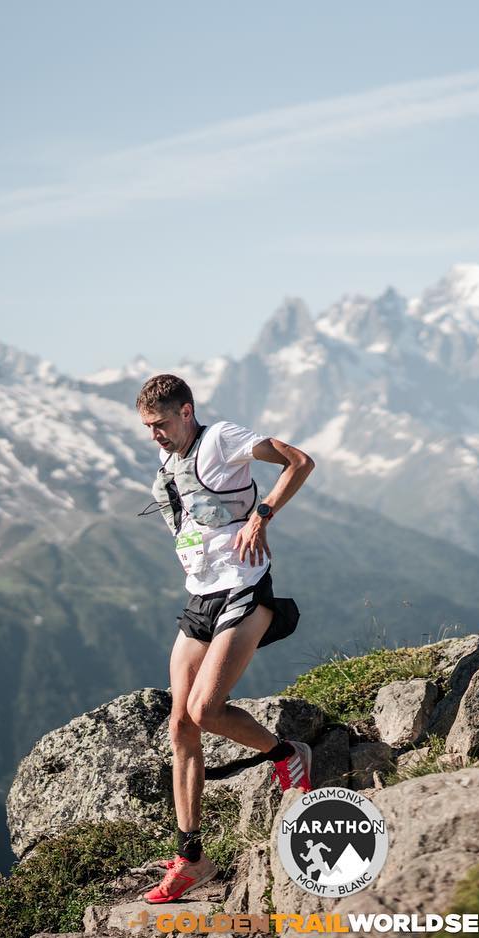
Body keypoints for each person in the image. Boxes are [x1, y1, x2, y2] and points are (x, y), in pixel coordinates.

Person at [135, 374, 317, 904]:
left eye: (162, 424)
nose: (156, 436)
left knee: (205, 710)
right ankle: (192, 858)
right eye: (148, 428)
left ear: (186, 411)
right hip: (200, 600)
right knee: (179, 725)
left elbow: (299, 462)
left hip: (245, 590)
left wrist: (262, 515)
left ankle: (287, 753)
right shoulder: (169, 463)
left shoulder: (222, 439)